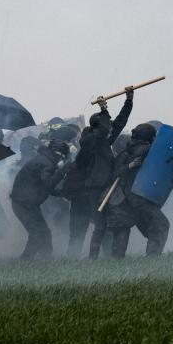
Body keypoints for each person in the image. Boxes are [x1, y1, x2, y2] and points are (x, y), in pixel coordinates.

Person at [62, 88, 134, 258]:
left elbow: (118, 124)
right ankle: (76, 260)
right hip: (86, 192)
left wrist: (129, 100)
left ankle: (105, 258)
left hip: (96, 188)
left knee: (103, 225)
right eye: (105, 123)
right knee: (83, 230)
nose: (110, 128)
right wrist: (104, 110)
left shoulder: (102, 139)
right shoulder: (90, 140)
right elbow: (105, 129)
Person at [105, 123, 170, 257]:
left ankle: (116, 260)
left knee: (135, 227)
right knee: (160, 225)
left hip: (127, 196)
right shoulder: (148, 149)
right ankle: (153, 258)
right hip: (140, 196)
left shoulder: (125, 152)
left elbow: (114, 173)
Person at [10, 140, 71, 260]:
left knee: (45, 233)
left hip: (26, 203)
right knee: (37, 234)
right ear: (59, 155)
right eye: (63, 158)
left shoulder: (44, 160)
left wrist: (61, 193)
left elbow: (42, 186)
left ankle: (46, 260)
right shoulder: (46, 163)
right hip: (24, 204)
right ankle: (25, 260)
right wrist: (62, 172)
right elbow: (48, 184)